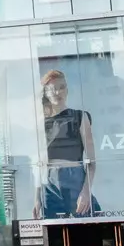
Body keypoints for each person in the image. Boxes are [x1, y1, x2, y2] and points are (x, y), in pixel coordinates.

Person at [34, 69, 98, 218]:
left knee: (86, 224)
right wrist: (37, 198)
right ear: (46, 93)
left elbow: (91, 161)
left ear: (67, 90)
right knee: (53, 233)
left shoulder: (80, 116)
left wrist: (86, 191)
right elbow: (38, 164)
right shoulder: (41, 124)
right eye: (52, 89)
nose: (57, 92)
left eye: (61, 87)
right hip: (49, 182)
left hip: (74, 176)